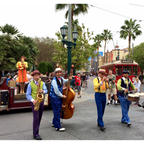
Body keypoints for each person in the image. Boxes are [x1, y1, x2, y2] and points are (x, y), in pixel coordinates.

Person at [26, 70, 47, 140]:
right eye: (35, 75)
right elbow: (27, 95)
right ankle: (36, 134)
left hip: (41, 101)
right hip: (35, 102)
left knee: (39, 117)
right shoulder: (30, 84)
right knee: (36, 118)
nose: (37, 76)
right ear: (33, 76)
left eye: (38, 75)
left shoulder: (42, 83)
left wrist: (43, 91)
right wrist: (32, 100)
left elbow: (46, 90)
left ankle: (36, 131)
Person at [49, 68, 71, 132]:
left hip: (58, 97)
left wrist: (69, 79)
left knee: (57, 111)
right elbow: (56, 91)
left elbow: (66, 81)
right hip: (54, 97)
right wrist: (62, 96)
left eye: (60, 72)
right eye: (57, 72)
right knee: (57, 111)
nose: (59, 73)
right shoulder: (54, 81)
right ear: (55, 74)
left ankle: (54, 123)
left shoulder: (61, 78)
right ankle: (58, 127)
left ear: (61, 73)